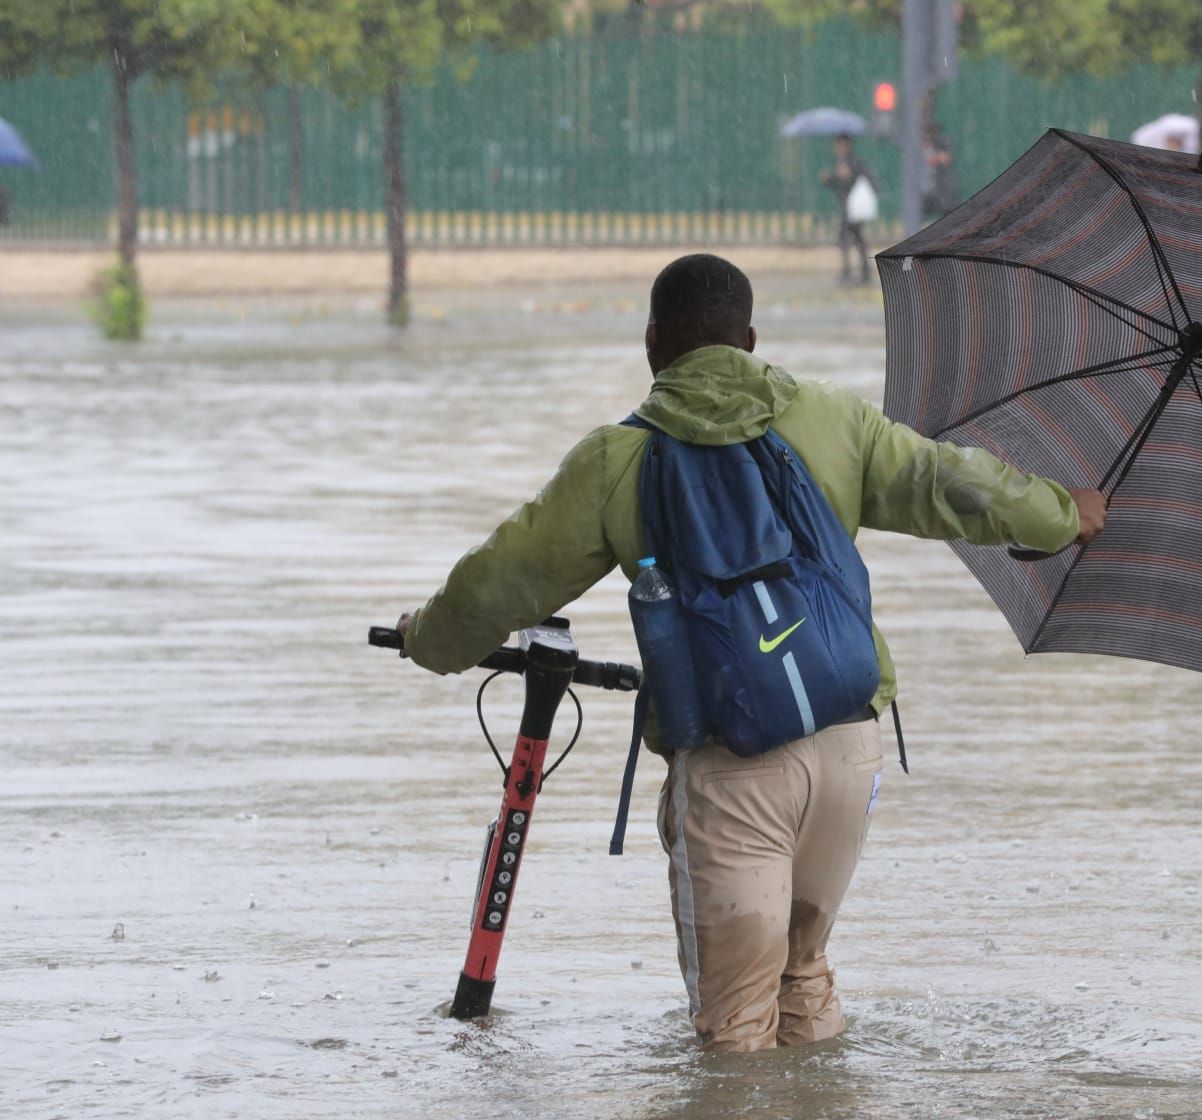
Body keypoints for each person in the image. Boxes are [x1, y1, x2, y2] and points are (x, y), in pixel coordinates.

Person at [396, 253, 1106, 1052]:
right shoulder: (832, 418)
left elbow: (499, 583)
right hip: (848, 746)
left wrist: (427, 638)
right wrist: (1060, 513)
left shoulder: (614, 461)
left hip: (731, 763)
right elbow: (952, 483)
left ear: (652, 342)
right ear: (751, 340)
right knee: (805, 978)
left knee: (733, 1034)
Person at [819, 134, 870, 285]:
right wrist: (829, 178)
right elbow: (839, 182)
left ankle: (852, 272)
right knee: (854, 239)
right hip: (847, 206)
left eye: (839, 144)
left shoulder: (852, 161)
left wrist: (837, 176)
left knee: (849, 239)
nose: (837, 148)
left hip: (852, 208)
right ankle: (860, 271)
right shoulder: (842, 161)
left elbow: (852, 179)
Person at [921, 123, 956, 219]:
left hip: (940, 187)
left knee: (945, 208)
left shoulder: (941, 143)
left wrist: (937, 157)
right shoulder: (918, 148)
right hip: (927, 188)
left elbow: (947, 159)